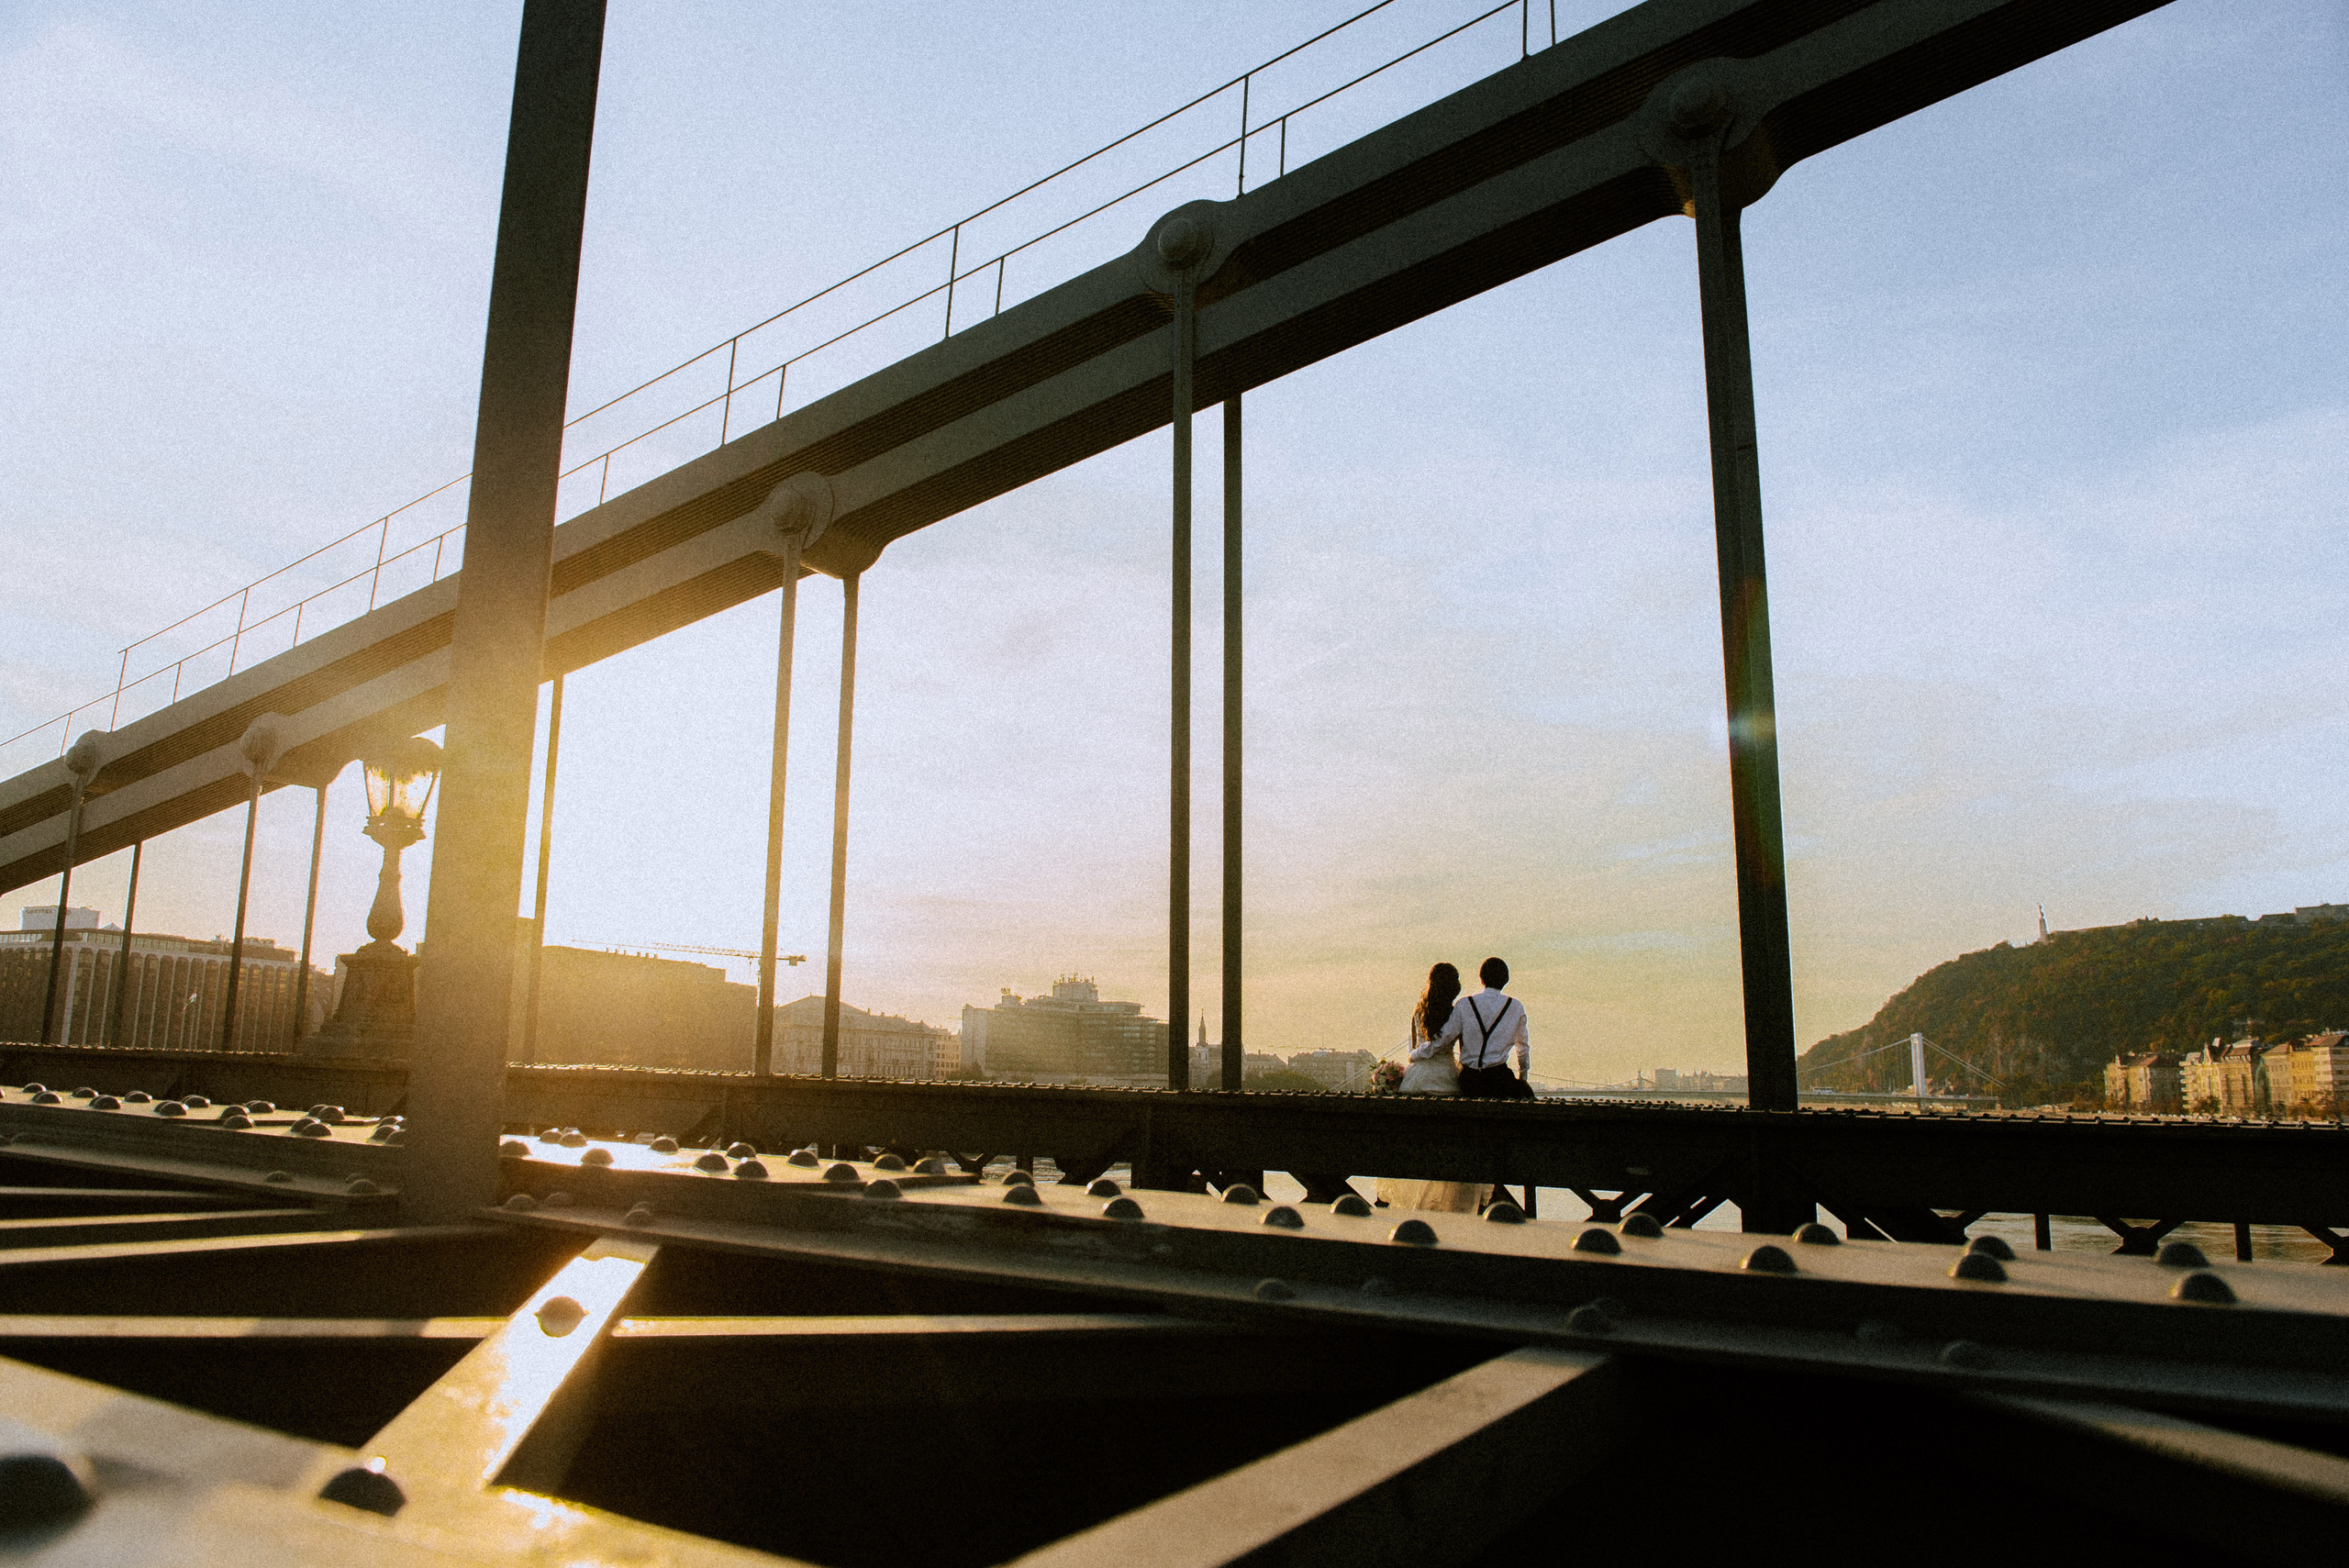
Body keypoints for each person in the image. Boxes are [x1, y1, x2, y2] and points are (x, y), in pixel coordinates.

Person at [1377, 962, 1490, 1213]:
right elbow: (1462, 1052)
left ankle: (1417, 1205)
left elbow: (1414, 1049)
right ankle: (1438, 1204)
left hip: (1415, 1081)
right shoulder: (1456, 1013)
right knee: (1450, 1150)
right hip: (1446, 1081)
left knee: (1415, 1148)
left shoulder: (1418, 1012)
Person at [1440, 956, 1531, 1099]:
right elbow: (1522, 1049)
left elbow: (1445, 1037)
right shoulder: (1516, 1007)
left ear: (1481, 978)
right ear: (1505, 980)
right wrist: (1523, 1078)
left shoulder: (1464, 1004)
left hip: (1469, 1080)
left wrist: (1417, 1054)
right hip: (1499, 1079)